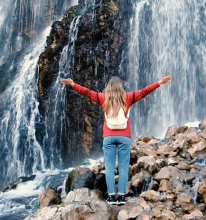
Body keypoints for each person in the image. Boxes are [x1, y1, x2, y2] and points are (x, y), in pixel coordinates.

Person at [61, 75, 172, 205]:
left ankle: (112, 197)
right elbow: (145, 91)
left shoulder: (103, 98)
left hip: (108, 137)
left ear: (108, 88)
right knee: (124, 168)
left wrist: (73, 84)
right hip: (124, 137)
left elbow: (87, 92)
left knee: (109, 168)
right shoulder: (129, 98)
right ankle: (122, 197)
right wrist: (159, 82)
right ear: (121, 87)